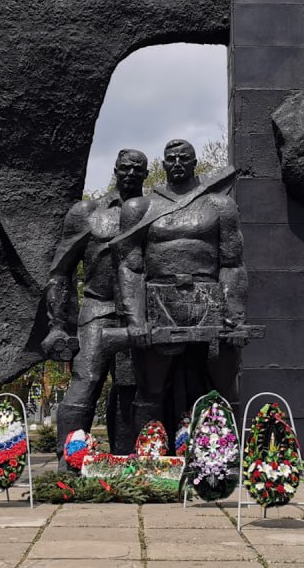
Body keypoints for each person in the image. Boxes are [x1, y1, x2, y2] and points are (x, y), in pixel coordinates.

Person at [114, 139, 250, 438]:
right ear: (163, 164)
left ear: (194, 163)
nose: (177, 163)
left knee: (225, 385)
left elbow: (232, 263)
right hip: (158, 300)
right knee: (150, 389)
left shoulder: (220, 205)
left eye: (184, 158)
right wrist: (136, 319)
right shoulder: (140, 207)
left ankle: (230, 454)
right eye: (171, 159)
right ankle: (147, 455)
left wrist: (234, 315)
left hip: (210, 299)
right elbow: (130, 267)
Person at [41, 148, 148, 457]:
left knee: (130, 388)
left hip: (136, 315)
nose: (130, 173)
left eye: (137, 168)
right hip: (96, 310)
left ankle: (125, 461)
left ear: (145, 173)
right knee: (85, 382)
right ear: (115, 169)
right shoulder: (87, 213)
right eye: (125, 167)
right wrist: (58, 324)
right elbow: (60, 271)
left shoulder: (151, 212)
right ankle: (69, 462)